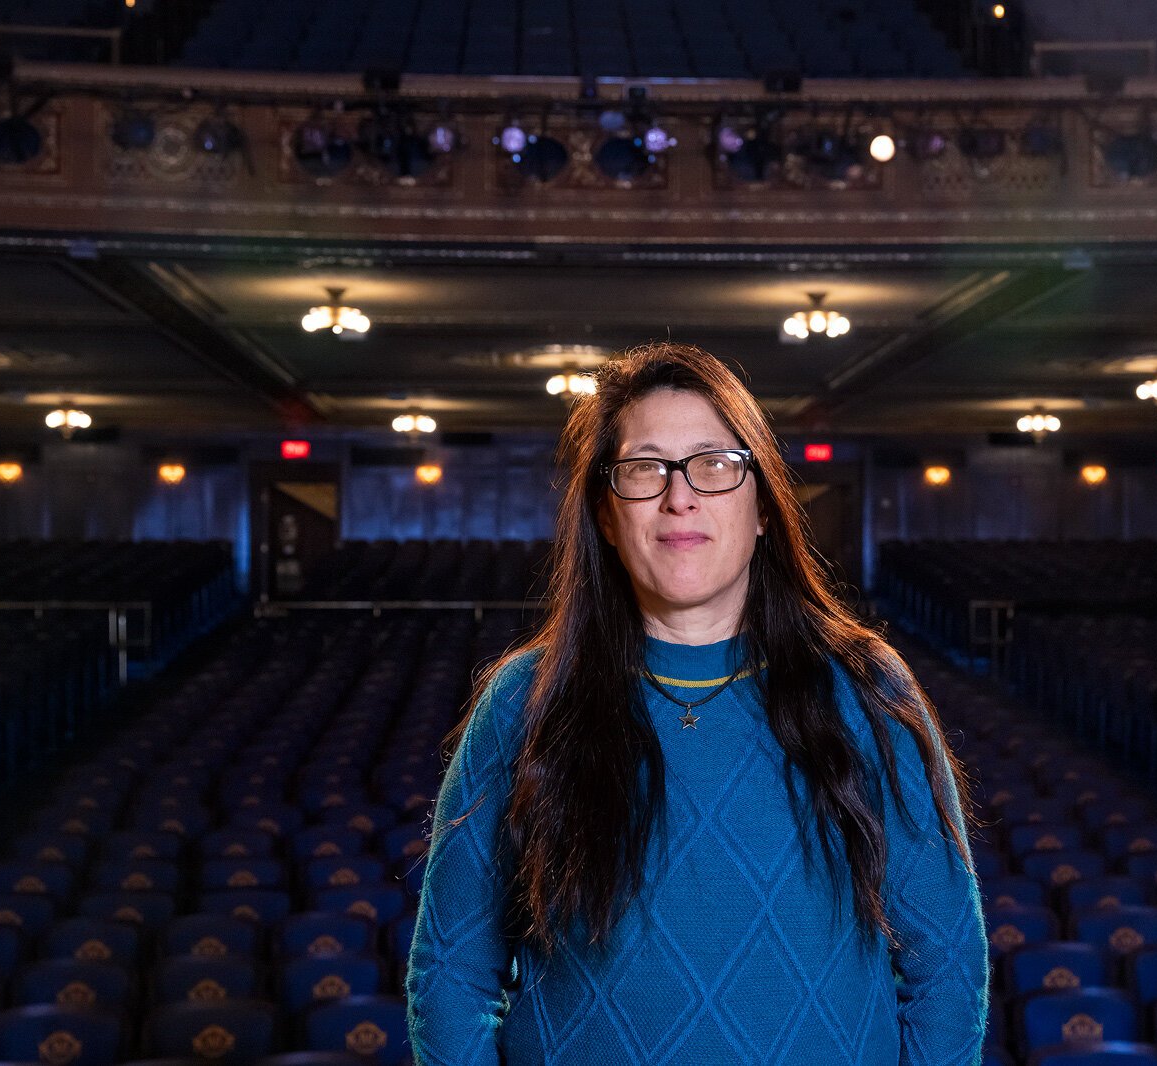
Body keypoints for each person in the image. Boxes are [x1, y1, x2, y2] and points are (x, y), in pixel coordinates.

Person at [407, 342, 988, 1065]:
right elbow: (450, 972)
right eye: (644, 469)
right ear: (607, 515)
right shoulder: (525, 698)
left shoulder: (865, 686)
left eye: (714, 465)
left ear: (765, 506)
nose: (679, 495)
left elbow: (948, 966)